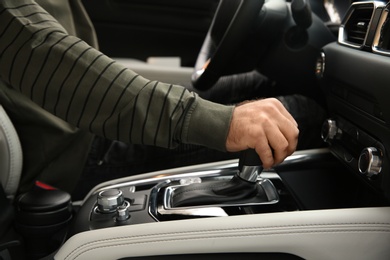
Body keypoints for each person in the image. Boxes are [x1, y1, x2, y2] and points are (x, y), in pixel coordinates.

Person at [0, 0, 298, 196]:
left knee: (269, 87)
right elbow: (56, 61)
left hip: (85, 124)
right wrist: (222, 124)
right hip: (74, 156)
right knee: (303, 113)